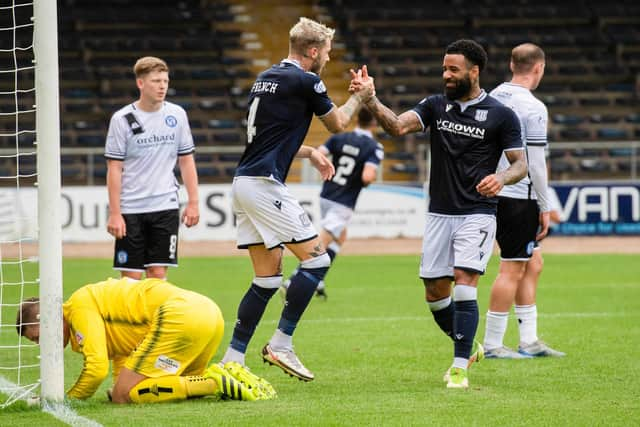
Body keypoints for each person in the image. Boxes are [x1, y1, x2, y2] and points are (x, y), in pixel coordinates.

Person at [351, 39, 527, 389]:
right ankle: (468, 344)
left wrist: (501, 177)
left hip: (477, 211)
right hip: (439, 213)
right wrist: (370, 98)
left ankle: (459, 367)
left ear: (474, 72)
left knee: (464, 280)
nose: (446, 75)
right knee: (435, 293)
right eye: (444, 68)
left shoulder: (501, 115)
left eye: (453, 69)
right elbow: (398, 126)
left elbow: (520, 163)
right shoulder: (435, 106)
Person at [218, 17, 373, 382]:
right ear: (313, 51)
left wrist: (308, 153)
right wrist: (360, 96)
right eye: (328, 53)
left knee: (267, 280)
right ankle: (281, 344)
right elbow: (338, 123)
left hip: (244, 181)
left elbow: (268, 138)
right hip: (264, 186)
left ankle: (232, 360)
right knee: (317, 262)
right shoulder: (306, 79)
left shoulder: (265, 77)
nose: (329, 60)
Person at [16, 278, 276, 403]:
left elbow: (96, 369)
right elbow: (122, 351)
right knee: (173, 391)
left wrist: (67, 400)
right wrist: (119, 383)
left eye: (37, 336)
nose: (40, 344)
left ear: (48, 318)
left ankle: (213, 382)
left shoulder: (78, 308)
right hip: (208, 313)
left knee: (124, 396)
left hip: (179, 315)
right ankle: (229, 375)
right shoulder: (84, 307)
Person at [482, 43, 565, 359]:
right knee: (512, 268)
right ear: (539, 68)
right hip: (519, 196)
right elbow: (535, 163)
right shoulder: (533, 107)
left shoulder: (492, 97)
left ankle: (529, 340)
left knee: (533, 263)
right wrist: (545, 205)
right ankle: (492, 345)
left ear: (511, 64)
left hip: (495, 190)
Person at [105, 56, 200, 280]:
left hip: (164, 206)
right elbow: (114, 168)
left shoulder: (177, 115)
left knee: (157, 275)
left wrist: (194, 202)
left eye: (165, 81)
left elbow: (186, 160)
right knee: (130, 280)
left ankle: (155, 317)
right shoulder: (122, 119)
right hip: (130, 209)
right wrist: (115, 213)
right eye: (156, 81)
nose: (162, 86)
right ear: (140, 83)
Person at [283, 107, 384, 299]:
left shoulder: (339, 138)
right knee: (325, 239)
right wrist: (365, 177)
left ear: (357, 120)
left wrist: (326, 169)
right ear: (374, 123)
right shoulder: (374, 147)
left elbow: (319, 154)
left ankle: (318, 279)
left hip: (326, 194)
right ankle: (294, 279)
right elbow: (367, 177)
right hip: (344, 201)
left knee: (340, 237)